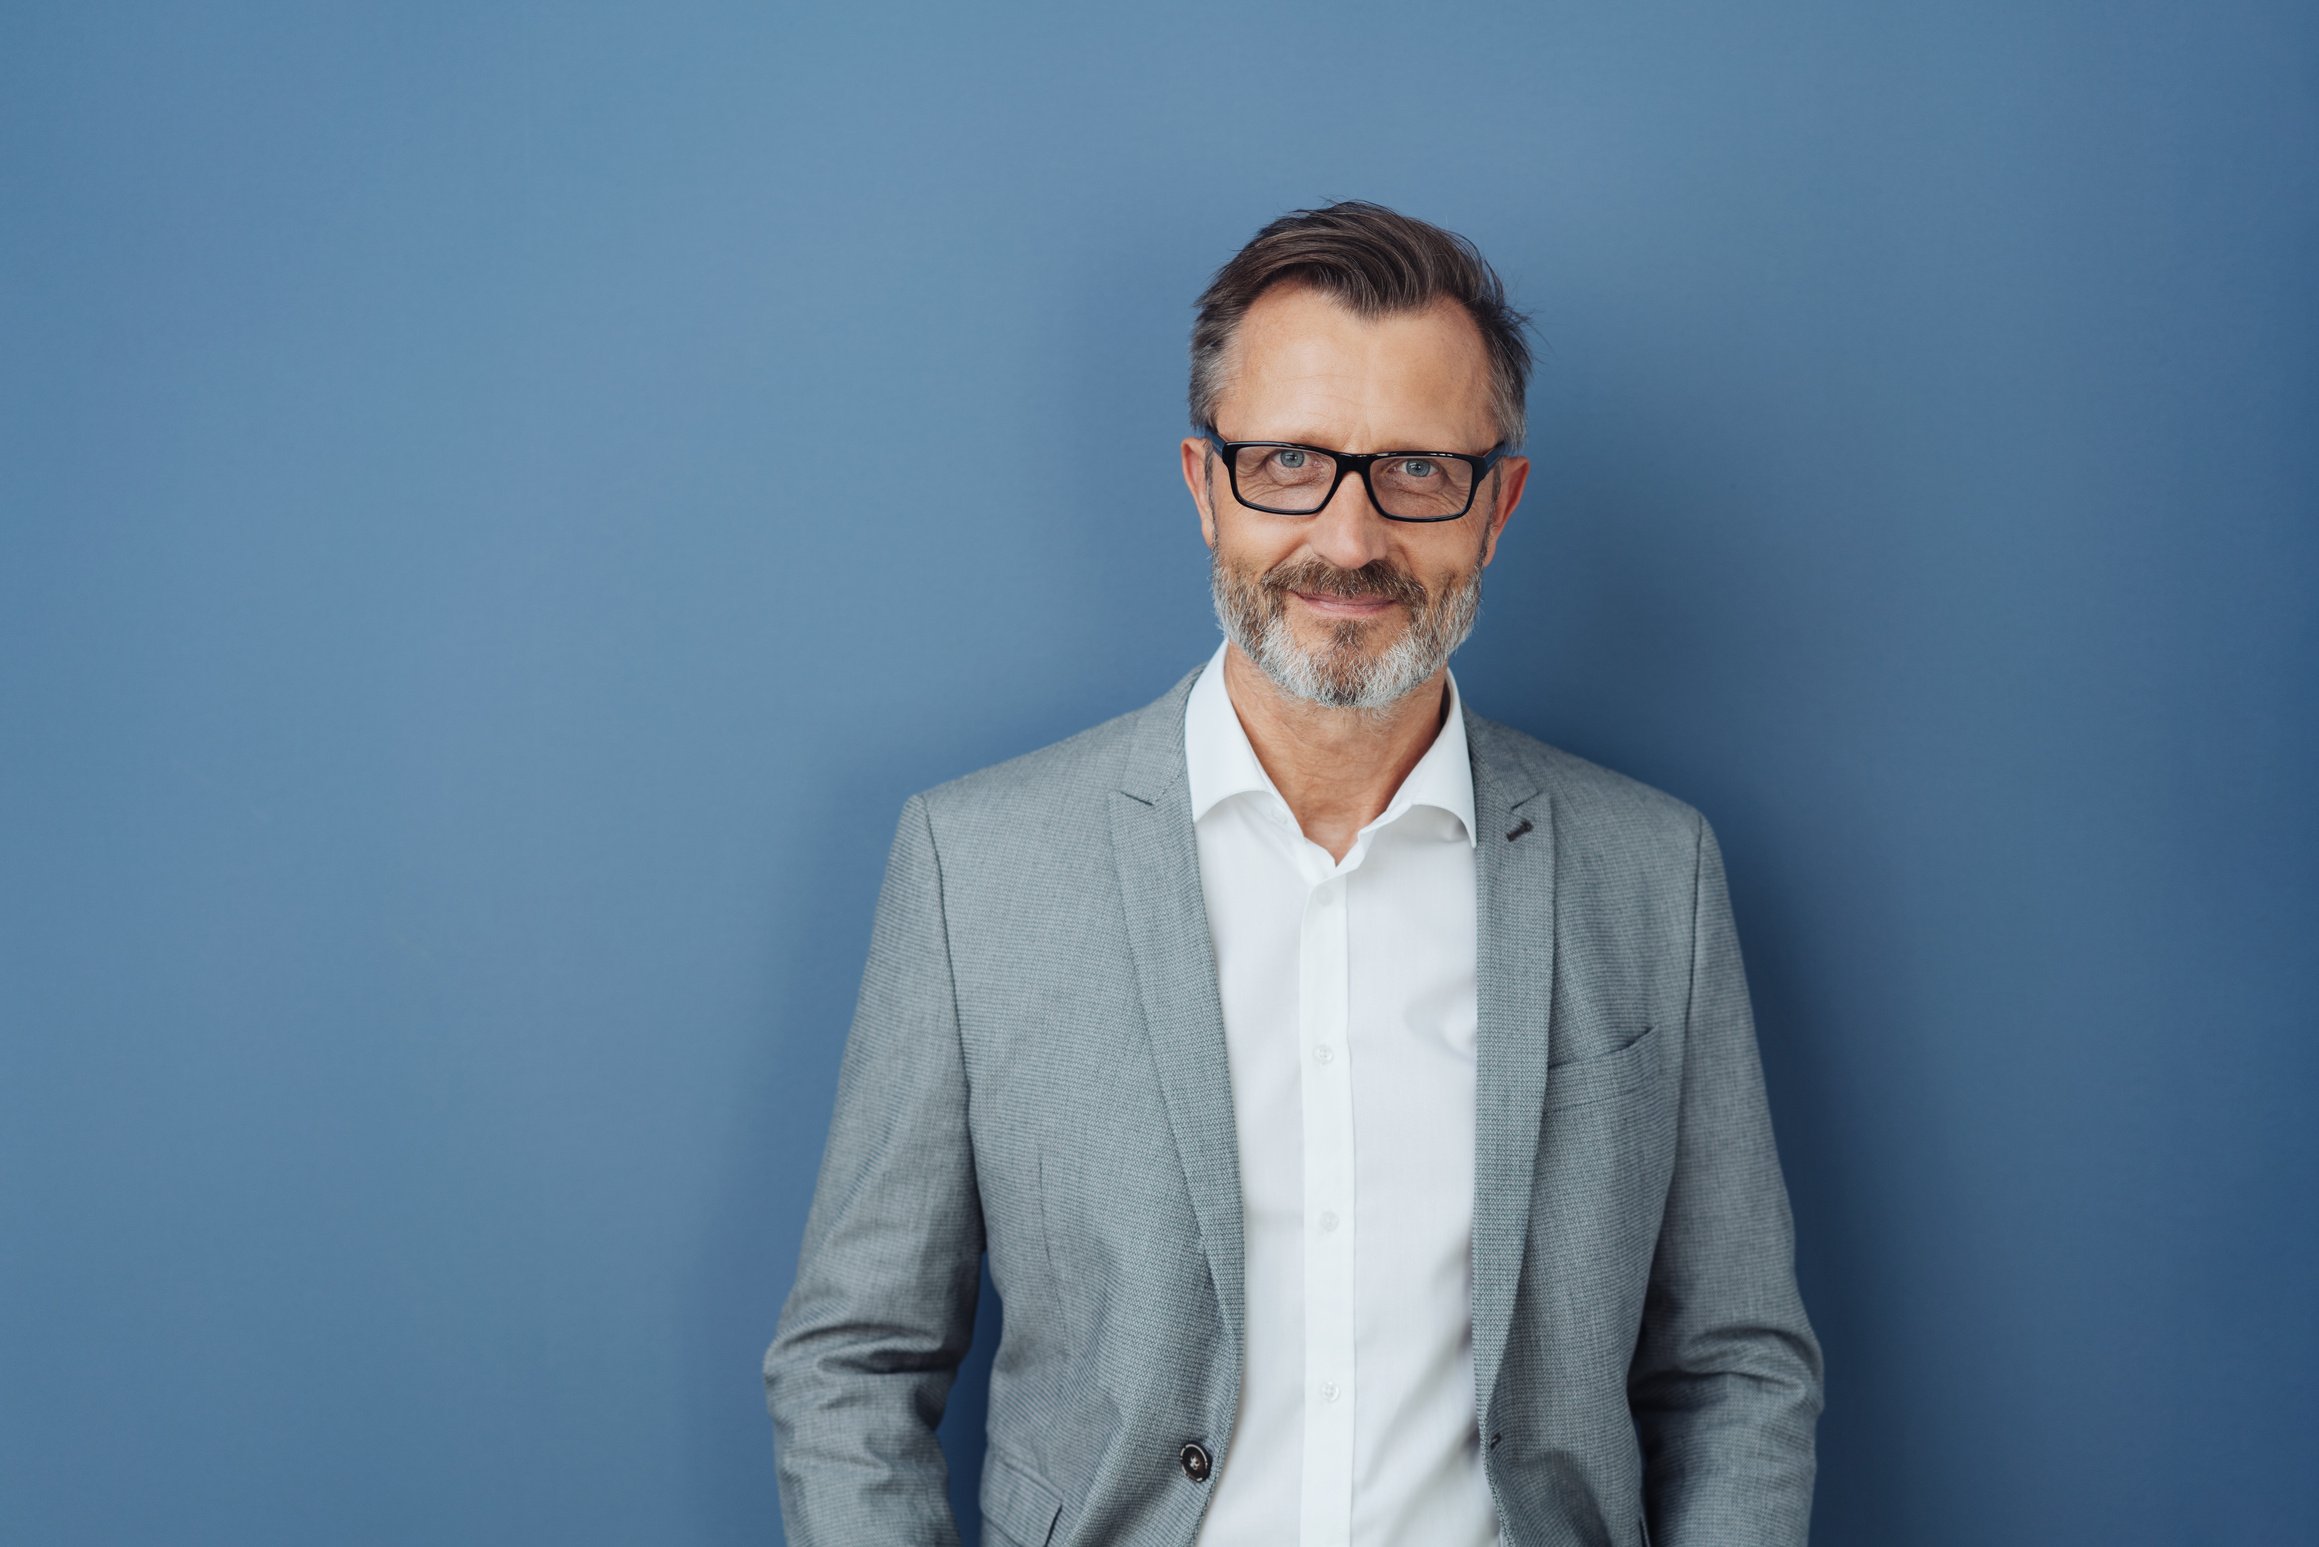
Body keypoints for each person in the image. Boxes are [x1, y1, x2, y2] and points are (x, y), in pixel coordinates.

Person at [765, 200, 1822, 1547]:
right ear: (1206, 489)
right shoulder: (976, 868)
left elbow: (1735, 1368)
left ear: (1498, 506)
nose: (1349, 537)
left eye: (1418, 471)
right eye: (1287, 465)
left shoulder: (1651, 873)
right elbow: (851, 1360)